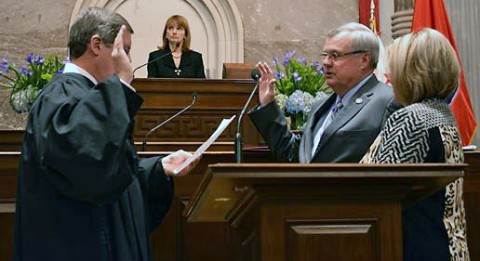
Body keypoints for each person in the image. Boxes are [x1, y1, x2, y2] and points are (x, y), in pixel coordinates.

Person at [14, 7, 198, 261]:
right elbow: (86, 165)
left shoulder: (93, 96)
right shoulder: (62, 96)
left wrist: (157, 168)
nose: (128, 61)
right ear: (97, 45)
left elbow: (108, 166)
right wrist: (121, 84)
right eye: (125, 50)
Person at [361, 28, 469, 260]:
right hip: (445, 244)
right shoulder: (443, 114)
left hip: (413, 247)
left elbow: (374, 189)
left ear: (412, 74)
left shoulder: (412, 118)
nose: (390, 77)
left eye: (396, 70)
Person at [249, 22, 399, 163]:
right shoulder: (319, 107)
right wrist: (268, 105)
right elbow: (292, 155)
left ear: (364, 60)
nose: (326, 62)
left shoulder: (388, 101)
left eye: (335, 55)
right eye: (325, 55)